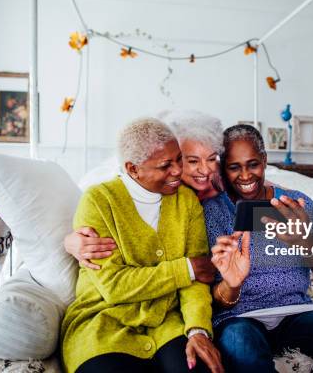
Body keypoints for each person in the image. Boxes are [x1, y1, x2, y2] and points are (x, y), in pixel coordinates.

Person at [205, 124, 313, 373]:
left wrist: (304, 241)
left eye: (252, 164)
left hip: (297, 311)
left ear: (264, 161)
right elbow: (207, 294)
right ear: (223, 168)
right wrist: (232, 284)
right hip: (239, 318)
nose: (245, 176)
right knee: (240, 350)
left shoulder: (296, 203)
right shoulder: (211, 211)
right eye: (234, 167)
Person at [61, 118, 223, 373]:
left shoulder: (187, 200)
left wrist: (197, 329)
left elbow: (198, 281)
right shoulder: (98, 201)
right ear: (133, 169)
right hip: (104, 322)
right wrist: (186, 268)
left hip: (168, 322)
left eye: (179, 160)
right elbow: (114, 286)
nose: (178, 171)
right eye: (165, 166)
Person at [64, 110, 224, 269]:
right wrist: (69, 242)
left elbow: (249, 219)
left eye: (211, 159)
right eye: (192, 161)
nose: (205, 170)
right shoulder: (120, 185)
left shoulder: (228, 183)